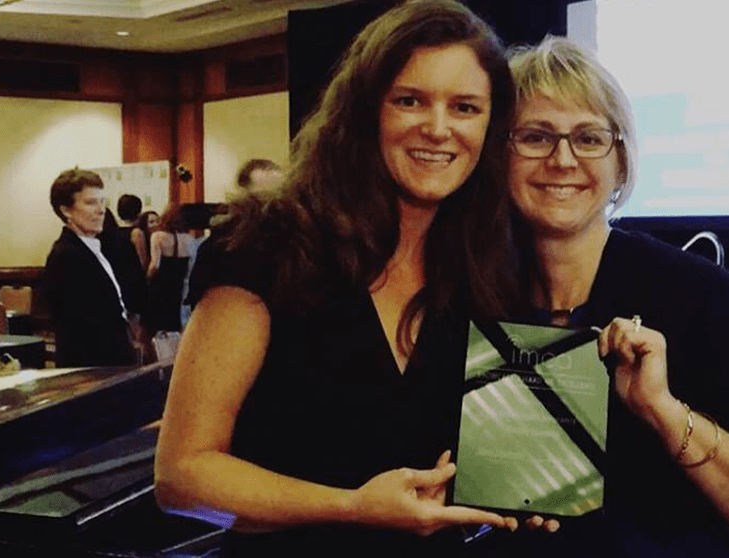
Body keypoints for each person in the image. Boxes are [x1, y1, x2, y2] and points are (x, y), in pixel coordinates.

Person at [154, 1, 522, 555]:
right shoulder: (266, 245)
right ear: (365, 108)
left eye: (465, 107)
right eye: (410, 100)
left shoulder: (487, 265)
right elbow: (183, 475)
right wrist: (352, 506)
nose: (439, 128)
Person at [502, 37, 729, 557]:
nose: (562, 159)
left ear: (622, 163)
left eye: (589, 138)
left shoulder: (698, 298)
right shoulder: (476, 295)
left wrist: (662, 410)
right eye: (535, 137)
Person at [44, 168, 137, 368]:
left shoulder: (93, 248)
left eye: (102, 201)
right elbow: (81, 327)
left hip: (109, 365)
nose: (101, 209)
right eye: (90, 202)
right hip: (90, 370)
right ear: (66, 210)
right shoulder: (66, 256)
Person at [145, 204, 195, 334]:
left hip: (160, 287)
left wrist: (146, 278)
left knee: (156, 327)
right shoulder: (189, 239)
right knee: (173, 324)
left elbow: (155, 265)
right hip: (177, 287)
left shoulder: (157, 236)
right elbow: (190, 267)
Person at [111, 194, 150, 321]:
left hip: (118, 278)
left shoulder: (113, 232)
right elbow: (143, 260)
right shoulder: (136, 233)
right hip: (134, 281)